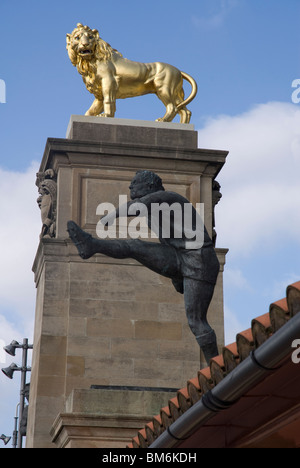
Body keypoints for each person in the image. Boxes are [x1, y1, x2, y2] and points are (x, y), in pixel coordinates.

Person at [67, 170, 220, 363]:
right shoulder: (152, 211)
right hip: (179, 257)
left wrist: (111, 216)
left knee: (196, 321)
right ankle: (91, 245)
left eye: (135, 183)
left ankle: (216, 368)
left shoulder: (168, 197)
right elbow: (170, 239)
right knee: (135, 245)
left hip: (200, 262)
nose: (130, 187)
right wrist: (175, 274)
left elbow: (137, 207)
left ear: (149, 186)